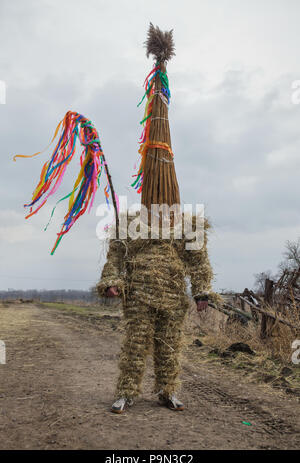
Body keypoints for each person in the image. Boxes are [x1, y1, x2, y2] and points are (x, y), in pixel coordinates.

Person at [97, 24, 217, 413]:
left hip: (171, 295)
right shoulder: (131, 222)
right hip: (139, 295)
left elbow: (198, 261)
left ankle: (167, 390)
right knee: (135, 344)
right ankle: (127, 392)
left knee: (169, 347)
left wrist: (200, 291)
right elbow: (115, 255)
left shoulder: (187, 223)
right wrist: (113, 280)